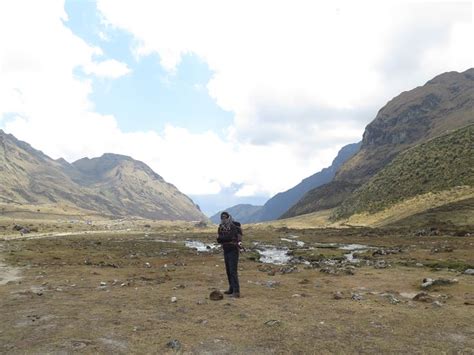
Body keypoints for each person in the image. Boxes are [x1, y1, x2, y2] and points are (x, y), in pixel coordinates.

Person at [216, 211, 242, 298]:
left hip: (233, 250)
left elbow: (229, 237)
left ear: (228, 217)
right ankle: (231, 288)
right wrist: (223, 239)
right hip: (226, 250)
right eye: (222, 217)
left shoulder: (233, 227)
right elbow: (218, 239)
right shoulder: (221, 227)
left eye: (225, 217)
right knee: (228, 271)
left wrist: (222, 238)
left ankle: (236, 291)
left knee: (233, 271)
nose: (223, 219)